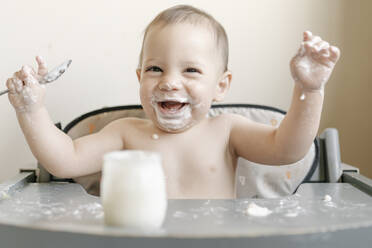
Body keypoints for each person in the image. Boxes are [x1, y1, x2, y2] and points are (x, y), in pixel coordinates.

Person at [5, 5, 340, 198]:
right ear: (140, 78)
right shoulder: (124, 133)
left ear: (220, 86)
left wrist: (308, 90)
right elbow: (64, 161)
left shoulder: (228, 131)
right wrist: (31, 109)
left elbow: (289, 149)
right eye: (155, 68)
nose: (169, 81)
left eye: (191, 70)